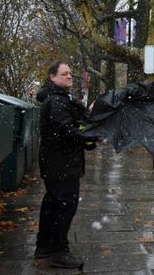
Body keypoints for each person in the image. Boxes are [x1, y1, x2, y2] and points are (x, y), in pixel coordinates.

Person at [34, 61, 98, 268]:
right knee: (65, 206)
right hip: (61, 165)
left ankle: (44, 246)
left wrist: (89, 117)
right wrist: (88, 136)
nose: (69, 76)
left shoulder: (59, 99)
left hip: (57, 164)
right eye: (64, 74)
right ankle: (58, 251)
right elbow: (66, 130)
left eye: (70, 73)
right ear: (52, 77)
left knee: (52, 205)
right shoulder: (58, 101)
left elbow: (73, 125)